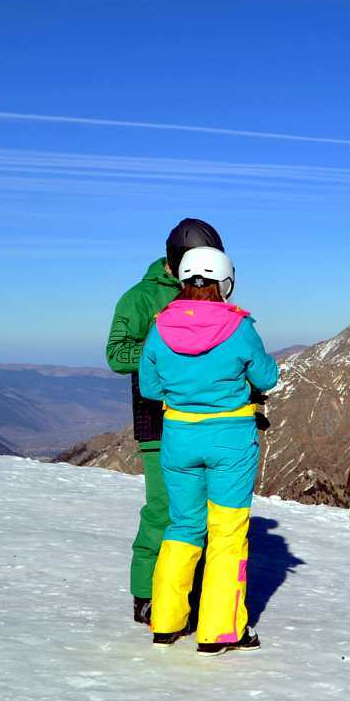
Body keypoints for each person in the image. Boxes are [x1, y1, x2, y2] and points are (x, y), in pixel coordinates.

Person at [139, 246, 278, 655]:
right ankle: (220, 632)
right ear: (225, 281)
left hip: (178, 435)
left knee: (183, 526)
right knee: (227, 534)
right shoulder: (239, 327)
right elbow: (266, 375)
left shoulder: (160, 327)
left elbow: (149, 388)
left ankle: (165, 622)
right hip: (230, 438)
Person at [106, 217, 224, 625]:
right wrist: (164, 349)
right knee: (163, 509)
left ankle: (187, 592)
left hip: (207, 419)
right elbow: (116, 354)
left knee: (203, 512)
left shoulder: (208, 291)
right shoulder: (139, 298)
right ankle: (145, 593)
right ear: (177, 261)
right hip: (157, 421)